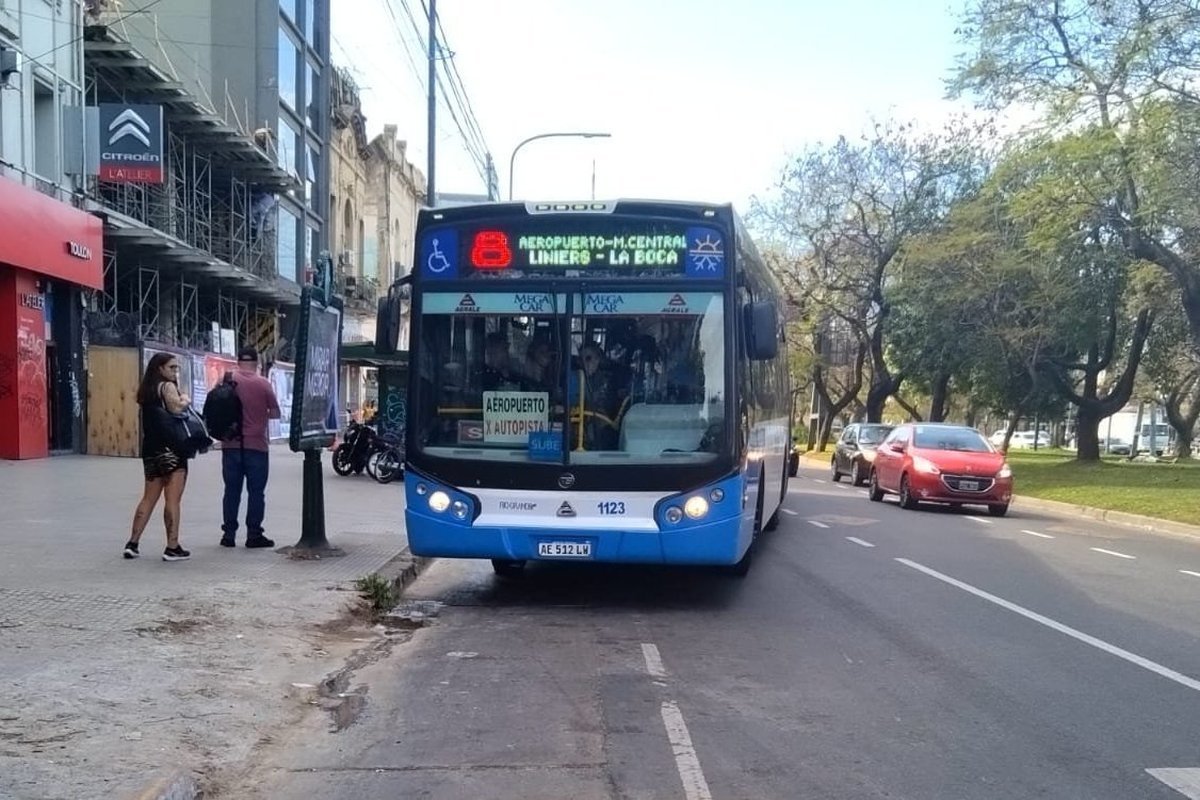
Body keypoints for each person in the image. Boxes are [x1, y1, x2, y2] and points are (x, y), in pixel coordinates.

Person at [124, 353, 192, 562]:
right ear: (160, 369)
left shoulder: (147, 391)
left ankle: (133, 543)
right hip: (171, 449)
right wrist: (185, 399)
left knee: (148, 497)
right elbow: (176, 408)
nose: (175, 372)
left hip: (150, 449)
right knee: (172, 500)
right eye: (171, 367)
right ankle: (172, 547)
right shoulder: (167, 387)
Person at [220, 346, 282, 549]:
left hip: (230, 445)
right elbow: (275, 414)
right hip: (256, 446)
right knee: (256, 492)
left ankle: (228, 535)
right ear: (257, 363)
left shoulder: (226, 379)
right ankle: (253, 535)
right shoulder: (263, 383)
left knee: (231, 490)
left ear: (238, 362)